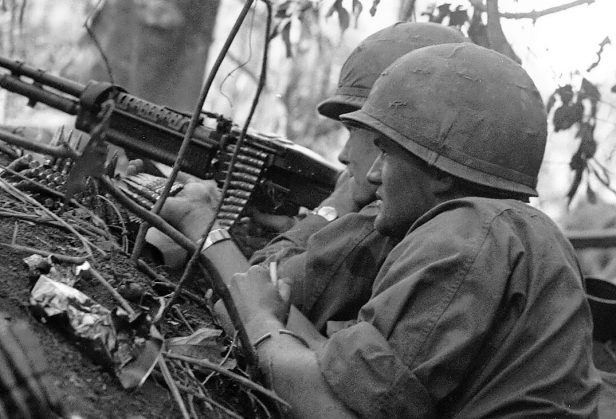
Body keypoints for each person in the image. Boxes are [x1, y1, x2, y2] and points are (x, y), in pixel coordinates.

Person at [223, 43, 599, 416]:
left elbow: (337, 411)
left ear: (438, 169)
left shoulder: (465, 234)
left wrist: (259, 321)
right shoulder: (508, 229)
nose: (372, 173)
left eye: (385, 151)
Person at [159, 22, 468, 335]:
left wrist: (200, 221)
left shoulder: (384, 224)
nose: (343, 155)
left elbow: (251, 296)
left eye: (354, 131)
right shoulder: (459, 216)